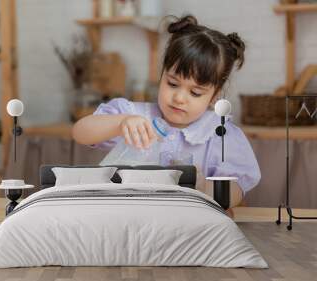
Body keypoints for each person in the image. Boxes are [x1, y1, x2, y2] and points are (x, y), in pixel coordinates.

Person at [72, 15, 261, 212]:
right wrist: (120, 123)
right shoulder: (133, 114)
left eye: (195, 92)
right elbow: (80, 131)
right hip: (129, 217)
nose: (179, 98)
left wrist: (204, 186)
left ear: (214, 96)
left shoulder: (220, 134)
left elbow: (237, 190)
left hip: (188, 226)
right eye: (172, 83)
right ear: (162, 74)